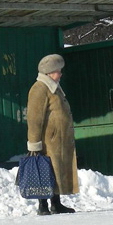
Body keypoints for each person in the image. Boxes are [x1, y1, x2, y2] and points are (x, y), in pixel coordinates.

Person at [26, 54, 79, 215]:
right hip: (47, 141)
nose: (60, 74)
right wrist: (34, 143)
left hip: (57, 141)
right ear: (49, 73)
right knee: (43, 171)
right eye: (57, 71)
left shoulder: (54, 88)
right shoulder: (40, 88)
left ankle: (56, 203)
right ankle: (43, 206)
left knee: (56, 171)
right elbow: (34, 118)